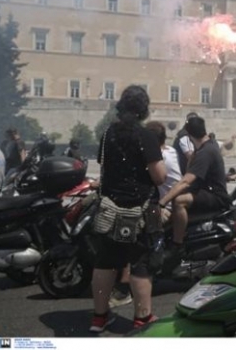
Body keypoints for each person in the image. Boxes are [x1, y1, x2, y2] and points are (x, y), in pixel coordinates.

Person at [89, 85, 166, 333]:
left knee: (105, 261)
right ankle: (142, 317)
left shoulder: (107, 135)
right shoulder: (146, 136)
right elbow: (159, 177)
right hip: (142, 208)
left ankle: (99, 317)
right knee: (141, 262)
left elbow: (105, 168)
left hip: (110, 207)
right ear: (144, 109)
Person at [159, 116, 231, 258]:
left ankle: (177, 245)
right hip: (207, 191)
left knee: (179, 201)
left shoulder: (206, 152)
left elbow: (186, 181)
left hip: (216, 196)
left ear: (189, 135)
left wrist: (162, 202)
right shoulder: (208, 146)